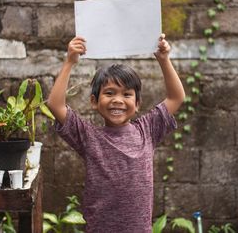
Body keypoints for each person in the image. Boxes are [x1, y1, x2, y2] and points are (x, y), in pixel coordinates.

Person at [47, 33, 185, 233]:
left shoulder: (148, 129)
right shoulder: (88, 136)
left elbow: (176, 97)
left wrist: (164, 60)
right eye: (109, 93)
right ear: (94, 101)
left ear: (137, 104)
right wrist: (69, 61)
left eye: (127, 94)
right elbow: (55, 104)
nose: (118, 100)